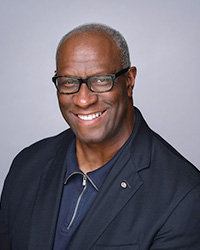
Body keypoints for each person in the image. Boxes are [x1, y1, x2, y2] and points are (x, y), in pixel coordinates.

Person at [0, 23, 200, 250]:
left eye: (101, 80)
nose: (83, 100)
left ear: (129, 80)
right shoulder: (26, 166)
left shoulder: (184, 195)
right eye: (68, 82)